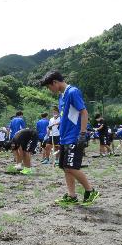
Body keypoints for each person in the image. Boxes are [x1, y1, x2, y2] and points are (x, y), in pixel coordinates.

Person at [41, 71, 99, 205]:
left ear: (55, 82)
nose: (50, 90)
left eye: (49, 87)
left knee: (72, 167)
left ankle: (90, 191)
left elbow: (84, 112)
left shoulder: (73, 92)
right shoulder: (62, 96)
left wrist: (83, 134)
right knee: (65, 167)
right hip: (64, 137)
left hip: (74, 137)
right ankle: (71, 196)